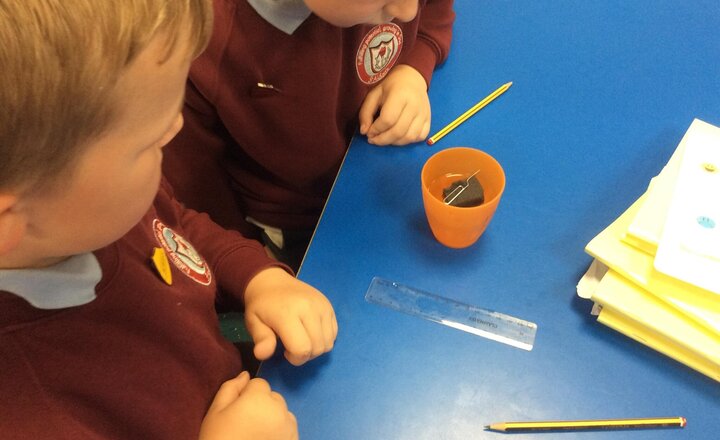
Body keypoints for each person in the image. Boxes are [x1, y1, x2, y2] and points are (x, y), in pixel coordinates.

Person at [0, 1, 337, 439]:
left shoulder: (93, 216)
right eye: (149, 142)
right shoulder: (32, 413)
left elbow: (175, 225)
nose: (177, 126)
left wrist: (257, 277)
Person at [163, 0, 455, 269]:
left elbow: (433, 10)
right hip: (298, 222)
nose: (409, 12)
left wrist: (413, 67)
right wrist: (245, 259)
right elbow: (198, 185)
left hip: (376, 173)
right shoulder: (198, 40)